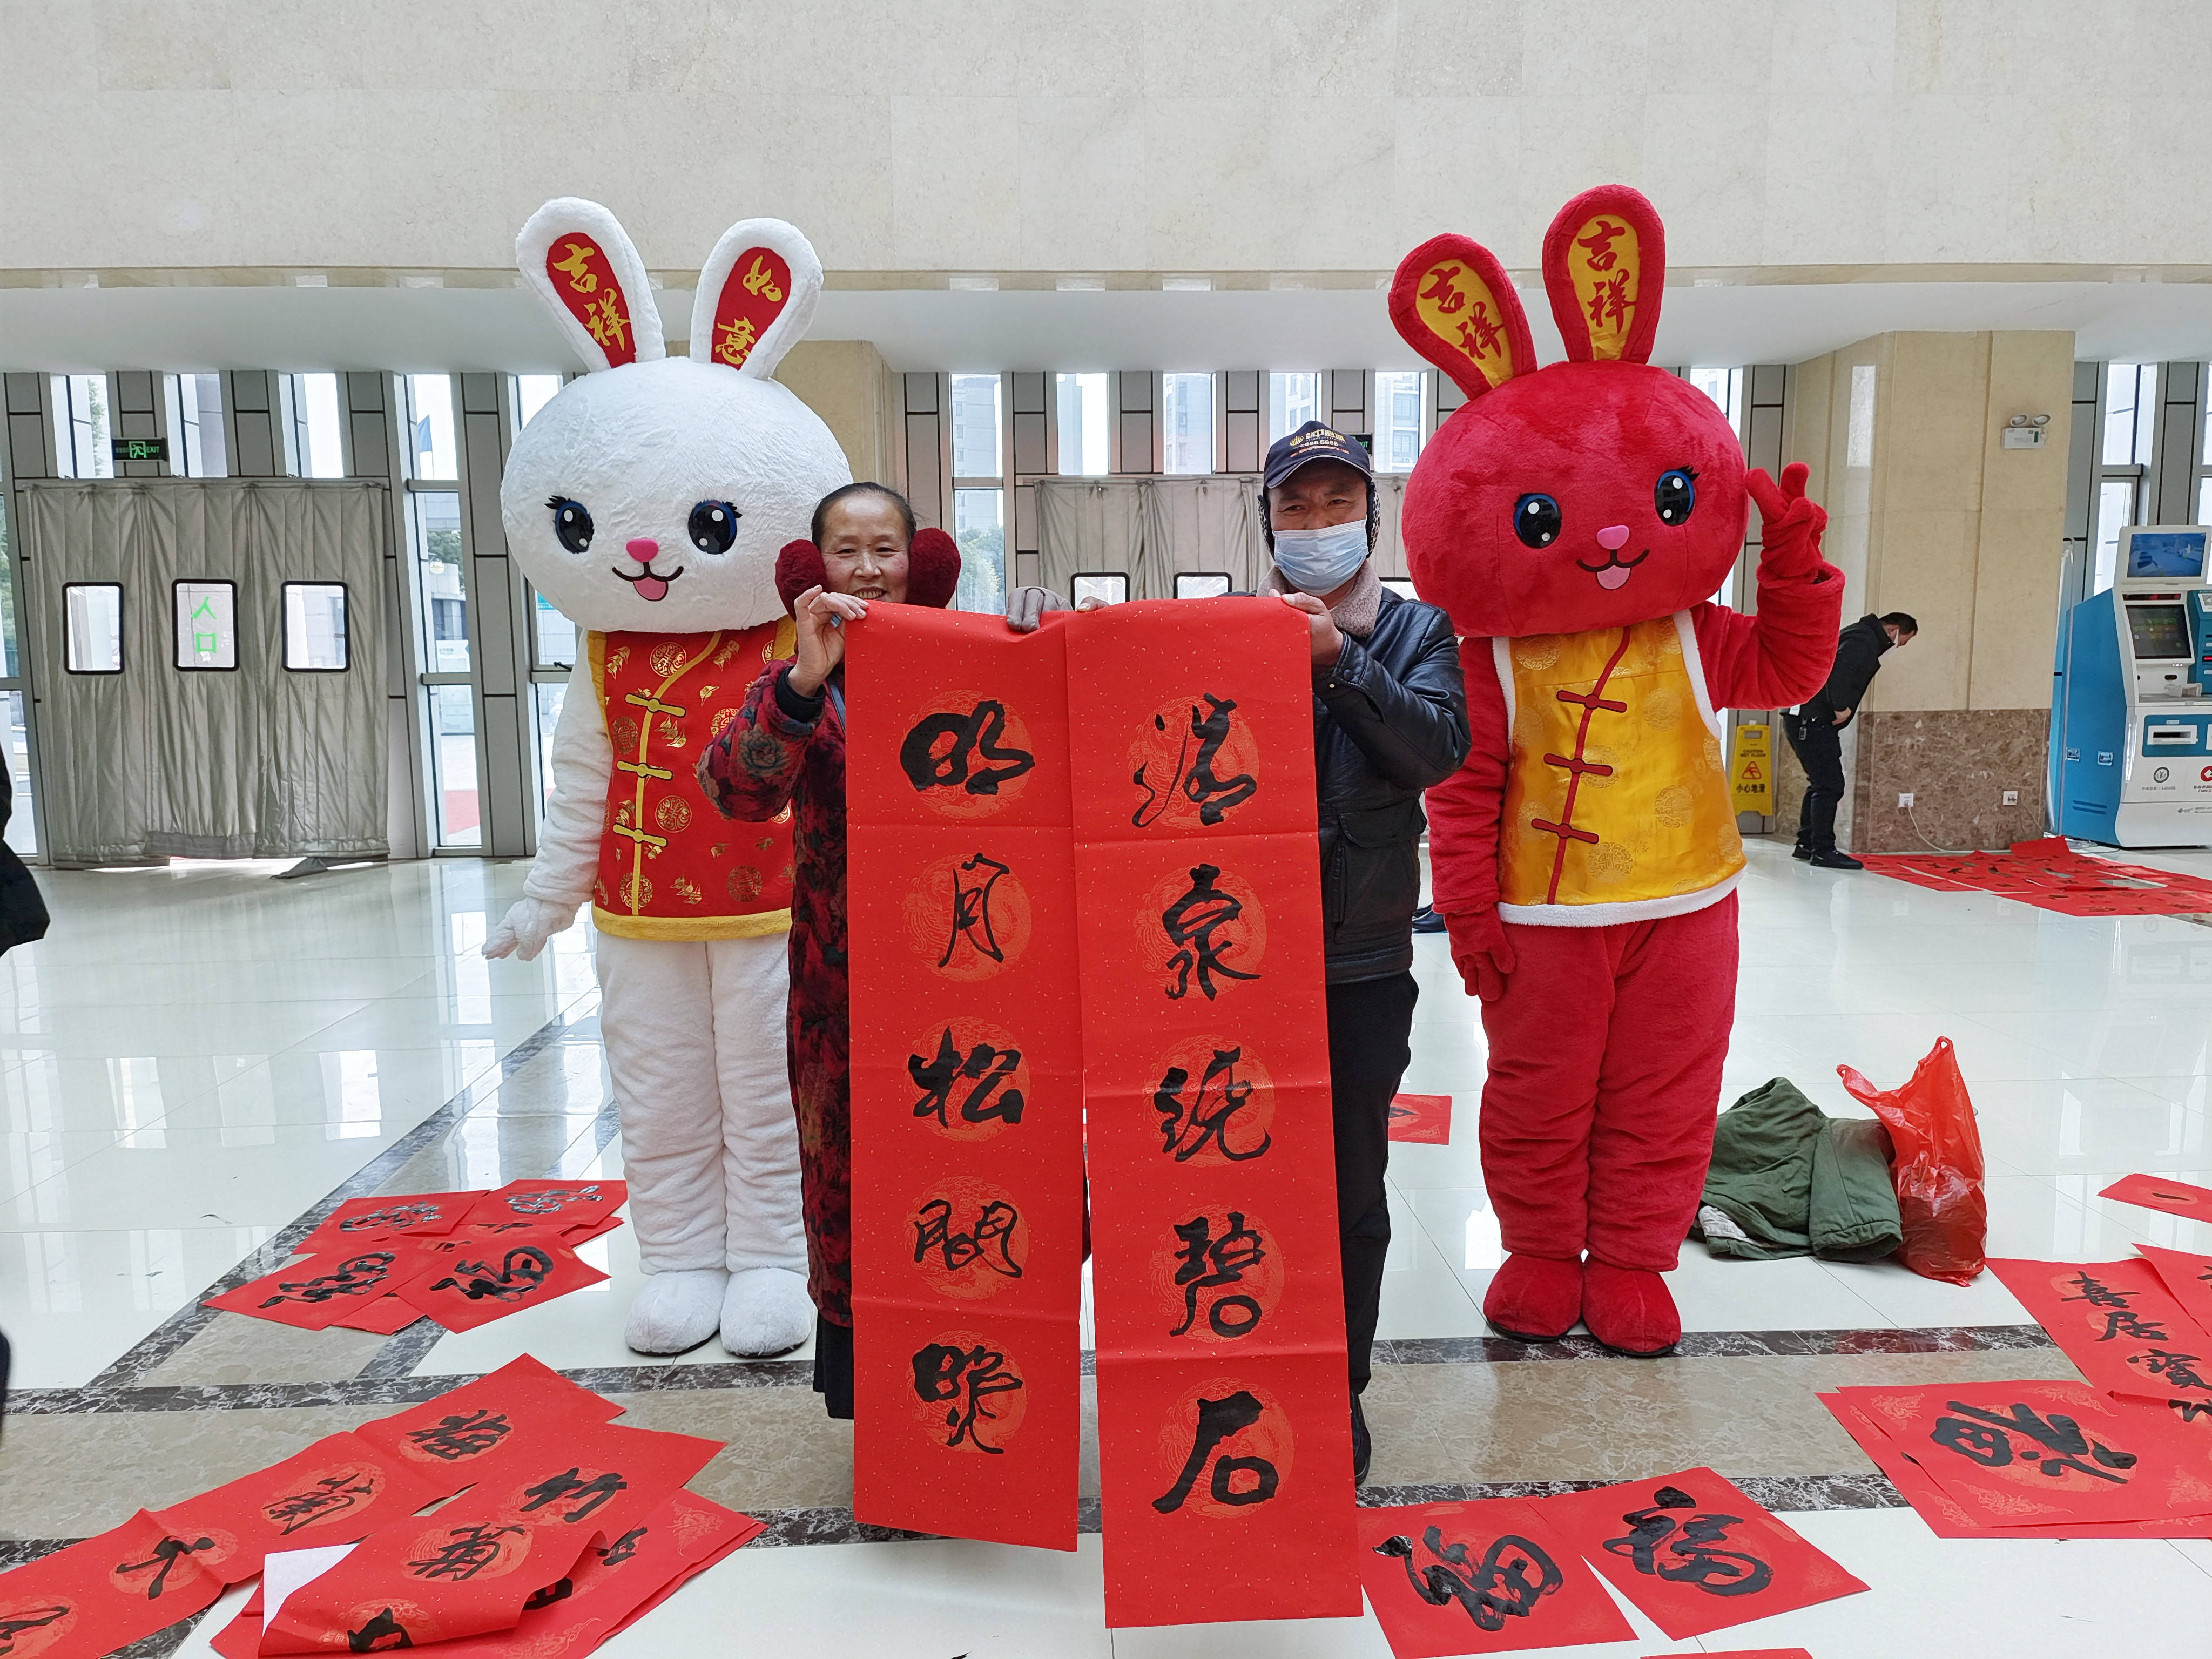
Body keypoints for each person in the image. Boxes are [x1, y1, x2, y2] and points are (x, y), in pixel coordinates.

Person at [697, 482, 970, 1420]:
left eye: (884, 547)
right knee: (857, 1185)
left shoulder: (972, 663)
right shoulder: (796, 680)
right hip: (843, 990)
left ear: (916, 560)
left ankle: (975, 1391)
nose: (866, 567)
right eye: (846, 549)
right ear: (815, 569)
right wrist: (804, 682)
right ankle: (877, 1407)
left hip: (971, 980)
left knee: (967, 1175)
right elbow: (735, 792)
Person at [1255, 422, 1471, 1485]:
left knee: (1345, 1188)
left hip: (1358, 964)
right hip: (1230, 968)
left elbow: (1433, 749)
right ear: (1268, 526)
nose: (1314, 525)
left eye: (1334, 504)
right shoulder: (1231, 629)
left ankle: (1333, 1390)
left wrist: (1339, 664)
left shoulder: (1417, 631)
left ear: (1368, 518)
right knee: (1232, 1180)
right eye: (1294, 508)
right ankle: (1238, 1367)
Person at [1784, 611, 1918, 871]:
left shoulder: (1858, 634)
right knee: (1830, 785)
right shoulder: (1863, 640)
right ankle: (1823, 850)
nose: (1898, 648)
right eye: (1902, 642)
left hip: (1804, 717)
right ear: (1893, 630)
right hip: (1814, 719)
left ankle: (1807, 843)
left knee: (1820, 782)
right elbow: (1841, 672)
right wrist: (1841, 706)